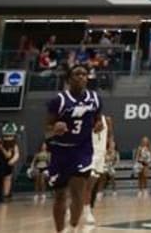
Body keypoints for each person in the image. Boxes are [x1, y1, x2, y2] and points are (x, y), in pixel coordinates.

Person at [45, 64, 102, 232]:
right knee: (60, 195)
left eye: (85, 74)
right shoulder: (59, 101)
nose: (82, 77)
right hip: (60, 151)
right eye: (78, 74)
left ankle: (72, 228)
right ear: (69, 79)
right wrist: (54, 128)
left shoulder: (95, 98)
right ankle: (60, 230)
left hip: (82, 150)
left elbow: (98, 119)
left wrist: (98, 125)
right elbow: (46, 129)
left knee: (78, 192)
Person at [86, 114, 113, 224]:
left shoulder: (107, 119)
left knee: (94, 185)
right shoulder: (87, 119)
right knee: (88, 183)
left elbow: (110, 135)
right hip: (90, 154)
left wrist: (111, 147)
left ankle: (89, 208)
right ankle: (85, 210)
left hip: (101, 154)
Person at [0, 130, 20, 204]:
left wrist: (2, 148)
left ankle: (0, 197)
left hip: (3, 166)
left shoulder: (8, 146)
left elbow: (8, 155)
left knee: (2, 183)